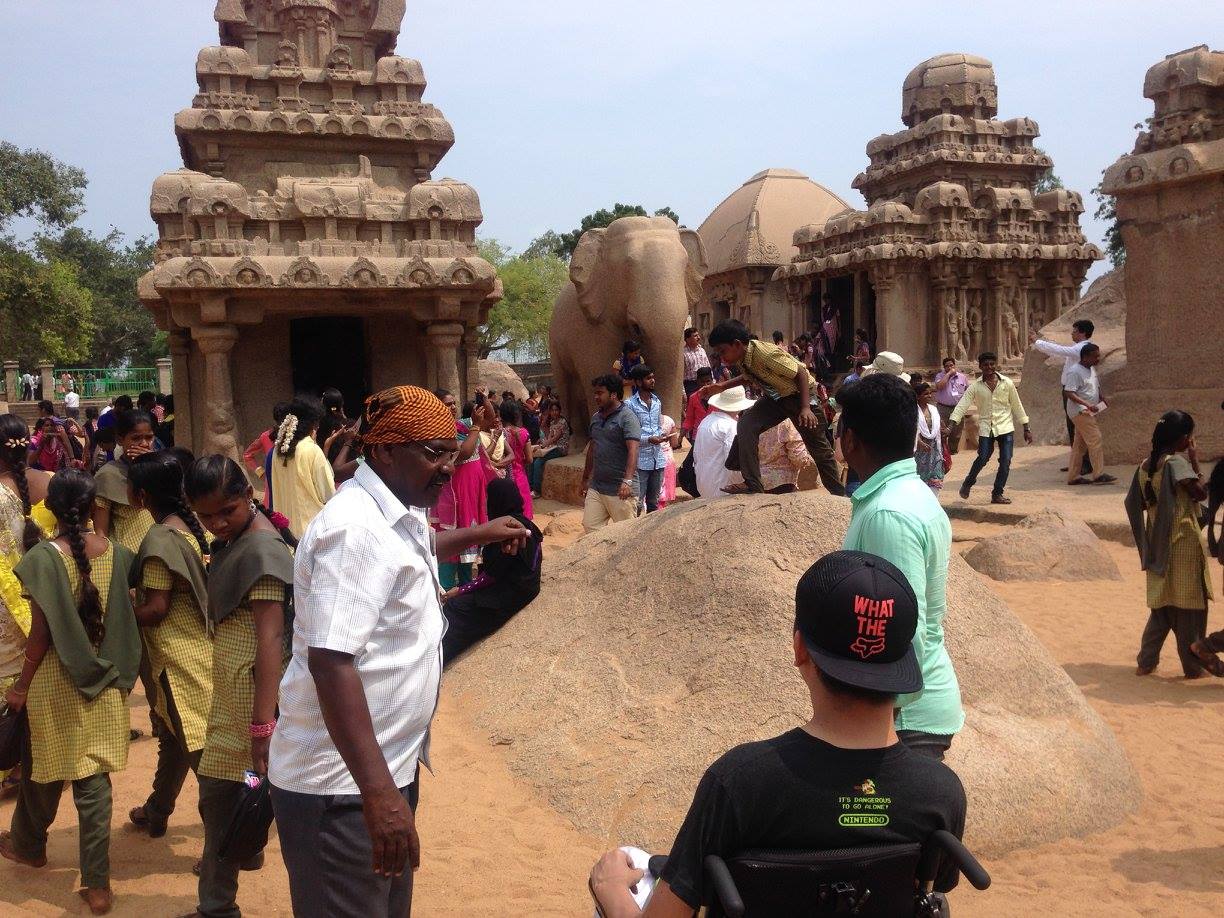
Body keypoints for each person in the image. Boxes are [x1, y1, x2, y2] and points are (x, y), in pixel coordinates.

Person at [588, 550, 967, 917]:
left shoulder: (741, 780)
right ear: (904, 662)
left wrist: (610, 889)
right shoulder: (940, 791)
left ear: (800, 648)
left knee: (630, 865)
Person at [269, 385, 528, 918]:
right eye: (433, 454)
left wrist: (476, 532)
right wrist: (380, 795)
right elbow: (330, 661)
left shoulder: (390, 509)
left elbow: (406, 551)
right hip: (342, 788)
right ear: (385, 451)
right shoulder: (354, 529)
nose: (447, 469)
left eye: (452, 456)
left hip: (380, 776)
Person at [1, 470, 142, 916]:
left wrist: (21, 685)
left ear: (53, 509)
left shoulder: (42, 558)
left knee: (45, 760)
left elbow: (40, 634)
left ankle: (29, 845)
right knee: (92, 778)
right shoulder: (118, 554)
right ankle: (96, 883)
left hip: (55, 679)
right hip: (106, 680)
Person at [184, 455, 295, 917]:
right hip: (232, 698)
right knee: (242, 790)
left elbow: (270, 638)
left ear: (248, 495)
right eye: (204, 516)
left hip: (252, 706)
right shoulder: (237, 541)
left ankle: (217, 905)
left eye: (225, 511)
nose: (215, 523)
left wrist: (261, 727)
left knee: (221, 794)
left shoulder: (263, 551)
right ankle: (245, 848)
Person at [838, 374, 964, 759]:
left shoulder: (888, 513)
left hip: (903, 720)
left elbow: (903, 623)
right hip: (901, 712)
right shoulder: (906, 496)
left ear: (849, 439)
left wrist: (881, 719)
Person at [124, 452, 212, 846]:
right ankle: (158, 810)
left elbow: (157, 609)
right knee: (176, 743)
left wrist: (118, 612)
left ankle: (234, 831)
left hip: (178, 665)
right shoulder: (194, 528)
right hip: (204, 653)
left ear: (140, 496)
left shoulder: (159, 539)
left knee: (206, 763)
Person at [701, 320, 844, 496]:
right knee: (746, 423)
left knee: (819, 449)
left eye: (723, 352)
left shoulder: (763, 353)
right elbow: (749, 377)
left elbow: (800, 372)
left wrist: (806, 408)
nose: (722, 358)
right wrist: (721, 387)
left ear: (737, 344)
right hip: (776, 398)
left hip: (800, 396)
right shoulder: (743, 357)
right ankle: (753, 483)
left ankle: (838, 494)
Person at [1125, 411, 1214, 678]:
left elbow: (1137, 503)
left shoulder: (1143, 466)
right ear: (1184, 438)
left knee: (1162, 609)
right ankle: (1192, 667)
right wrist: (1195, 461)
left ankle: (1146, 661)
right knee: (1189, 608)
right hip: (1183, 543)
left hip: (1158, 546)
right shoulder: (1177, 464)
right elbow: (1200, 493)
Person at [0, 416, 54, 797]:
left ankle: (12, 762)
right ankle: (37, 763)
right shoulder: (49, 483)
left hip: (6, 604)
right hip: (43, 597)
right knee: (36, 681)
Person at [441, 477, 543, 666]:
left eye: (489, 497)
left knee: (456, 612)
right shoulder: (524, 524)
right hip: (523, 585)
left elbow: (491, 576)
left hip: (509, 593)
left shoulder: (508, 531)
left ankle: (435, 661)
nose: (487, 502)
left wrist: (461, 590)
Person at [950, 352, 1032, 505]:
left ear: (995, 365)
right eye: (986, 365)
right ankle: (968, 482)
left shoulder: (1007, 383)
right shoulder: (975, 387)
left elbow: (1017, 404)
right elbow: (962, 405)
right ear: (980, 366)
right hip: (986, 428)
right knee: (982, 457)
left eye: (992, 364)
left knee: (1006, 460)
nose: (989, 367)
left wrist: (1026, 426)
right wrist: (951, 425)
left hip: (1005, 427)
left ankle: (997, 493)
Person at [430, 390, 493, 590]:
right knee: (454, 539)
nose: (453, 407)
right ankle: (446, 587)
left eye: (454, 403)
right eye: (448, 404)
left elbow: (490, 418)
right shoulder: (438, 431)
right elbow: (464, 452)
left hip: (472, 490)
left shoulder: (461, 424)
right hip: (456, 494)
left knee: (469, 538)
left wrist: (483, 399)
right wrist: (475, 425)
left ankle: (466, 585)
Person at [1030, 319, 1095, 475]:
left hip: (1077, 392)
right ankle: (1076, 462)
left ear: (1082, 333)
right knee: (1073, 427)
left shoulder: (1083, 348)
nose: (1072, 333)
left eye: (1074, 330)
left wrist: (1037, 341)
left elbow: (1059, 350)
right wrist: (1040, 343)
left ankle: (1085, 463)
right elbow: (1055, 351)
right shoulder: (1077, 348)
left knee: (1080, 428)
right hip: (1071, 390)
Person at [270, 395, 336, 539]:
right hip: (313, 533)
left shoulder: (278, 450)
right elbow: (329, 494)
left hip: (287, 534)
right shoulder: (311, 450)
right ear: (315, 424)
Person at [580, 374, 641, 532]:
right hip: (597, 488)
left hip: (621, 490)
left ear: (613, 394)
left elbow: (633, 449)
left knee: (626, 535)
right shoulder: (595, 418)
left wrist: (627, 481)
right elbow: (592, 448)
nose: (596, 397)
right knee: (590, 527)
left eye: (600, 393)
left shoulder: (628, 418)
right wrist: (585, 479)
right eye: (595, 393)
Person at [92, 410, 158, 554]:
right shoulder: (108, 475)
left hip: (161, 550)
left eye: (149, 437)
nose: (144, 444)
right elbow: (100, 532)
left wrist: (154, 466)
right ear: (120, 440)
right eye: (136, 438)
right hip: (126, 555)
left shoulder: (163, 470)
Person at [1063, 343, 1116, 486]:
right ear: (1085, 357)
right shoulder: (1075, 371)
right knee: (1095, 438)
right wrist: (1087, 404)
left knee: (1079, 445)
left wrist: (1101, 398)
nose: (1098, 358)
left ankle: (1073, 476)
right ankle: (1098, 474)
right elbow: (1069, 392)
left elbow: (1094, 386)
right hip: (1080, 411)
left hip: (1087, 410)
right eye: (1095, 356)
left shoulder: (1091, 368)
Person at [694, 386, 753, 499]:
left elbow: (696, 456)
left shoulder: (706, 421)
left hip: (704, 484)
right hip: (723, 487)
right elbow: (733, 464)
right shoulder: (731, 427)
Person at [626, 365, 669, 514]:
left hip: (658, 459)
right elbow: (630, 435)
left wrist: (662, 436)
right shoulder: (629, 405)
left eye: (653, 377)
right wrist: (649, 439)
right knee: (637, 502)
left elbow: (657, 426)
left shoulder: (657, 402)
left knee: (654, 502)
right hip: (640, 462)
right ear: (638, 382)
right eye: (648, 378)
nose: (652, 381)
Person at [498, 399, 534, 519]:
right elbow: (529, 459)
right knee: (524, 513)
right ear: (516, 414)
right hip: (520, 476)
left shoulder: (498, 434)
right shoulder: (524, 433)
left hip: (502, 476)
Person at [757, 418, 812, 494]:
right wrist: (807, 460)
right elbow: (798, 457)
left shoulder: (748, 419)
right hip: (783, 483)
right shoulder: (786, 422)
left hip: (756, 480)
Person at [528, 400, 570, 497]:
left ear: (560, 411)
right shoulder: (552, 422)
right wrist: (542, 444)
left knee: (539, 461)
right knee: (532, 459)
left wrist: (543, 446)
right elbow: (550, 437)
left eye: (556, 410)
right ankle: (530, 486)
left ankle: (536, 490)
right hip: (553, 447)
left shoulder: (562, 422)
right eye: (552, 410)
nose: (554, 412)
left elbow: (556, 437)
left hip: (560, 448)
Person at [932, 357, 969, 455]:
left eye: (951, 365)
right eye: (947, 366)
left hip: (958, 408)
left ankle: (953, 451)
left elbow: (967, 391)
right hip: (943, 407)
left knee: (956, 432)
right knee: (942, 430)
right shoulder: (940, 376)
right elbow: (940, 386)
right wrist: (948, 374)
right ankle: (942, 452)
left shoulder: (962, 377)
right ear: (944, 367)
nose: (949, 367)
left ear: (954, 365)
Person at [914, 382, 946, 492]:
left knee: (935, 477)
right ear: (918, 396)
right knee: (919, 478)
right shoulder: (913, 411)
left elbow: (939, 424)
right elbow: (912, 431)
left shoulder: (933, 409)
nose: (929, 396)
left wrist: (944, 429)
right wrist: (920, 443)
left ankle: (934, 501)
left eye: (930, 393)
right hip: (919, 451)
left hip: (934, 449)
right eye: (925, 394)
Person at [656, 415, 680, 509]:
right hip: (667, 458)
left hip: (649, 458)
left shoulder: (642, 419)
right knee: (663, 494)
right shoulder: (669, 420)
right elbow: (674, 443)